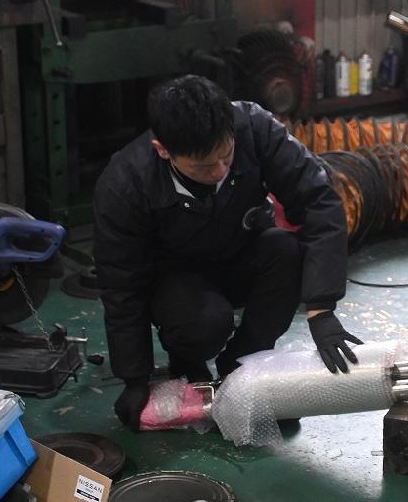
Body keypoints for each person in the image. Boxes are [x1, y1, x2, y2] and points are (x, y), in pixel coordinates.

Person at [94, 75, 361, 431]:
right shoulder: (124, 185)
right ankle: (186, 360)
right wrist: (134, 378)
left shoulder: (255, 127)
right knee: (204, 323)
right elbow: (121, 285)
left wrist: (321, 309)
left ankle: (243, 364)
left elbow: (319, 201)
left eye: (226, 156)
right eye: (204, 166)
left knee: (287, 251)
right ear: (163, 150)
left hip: (241, 253)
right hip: (177, 281)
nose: (220, 170)